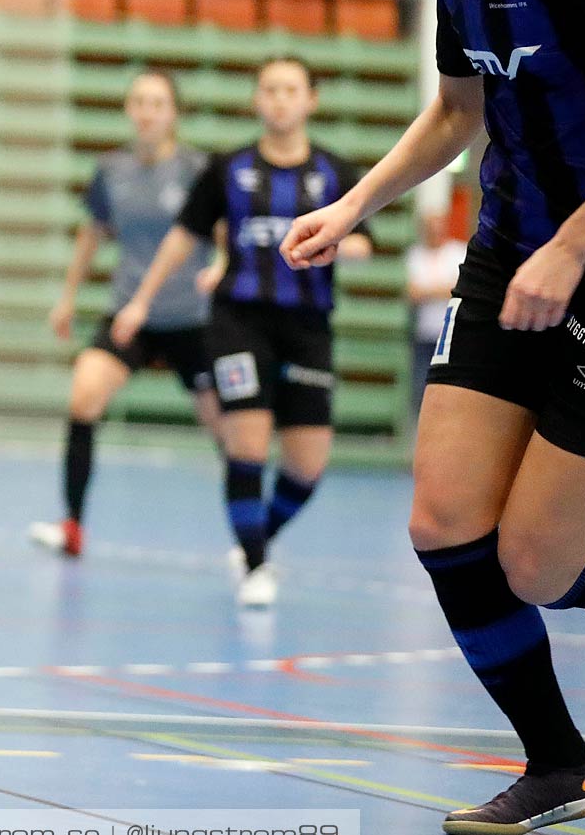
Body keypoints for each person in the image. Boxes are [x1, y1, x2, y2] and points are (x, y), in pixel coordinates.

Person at [281, 0, 585, 835]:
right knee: (445, 521)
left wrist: (578, 245)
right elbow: (457, 114)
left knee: (538, 564)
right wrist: (354, 201)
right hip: (508, 259)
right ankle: (559, 763)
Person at [114, 58, 371, 607]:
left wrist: (340, 245)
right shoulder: (227, 170)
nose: (279, 100)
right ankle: (256, 565)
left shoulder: (334, 173)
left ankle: (258, 534)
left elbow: (363, 241)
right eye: (269, 90)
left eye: (290, 90)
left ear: (311, 101)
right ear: (257, 100)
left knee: (307, 465)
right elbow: (183, 237)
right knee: (247, 444)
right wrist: (140, 301)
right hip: (239, 321)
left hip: (307, 327)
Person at [29, 71, 220, 558]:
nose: (147, 111)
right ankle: (72, 525)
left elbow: (221, 232)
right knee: (83, 397)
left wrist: (221, 266)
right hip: (128, 314)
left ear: (173, 112)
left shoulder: (198, 169)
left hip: (191, 318)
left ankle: (252, 541)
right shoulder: (111, 170)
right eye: (139, 102)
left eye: (157, 102)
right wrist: (68, 297)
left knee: (230, 429)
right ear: (129, 110)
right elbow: (92, 235)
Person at [404, 211, 464, 419]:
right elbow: (412, 293)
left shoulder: (458, 252)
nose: (435, 231)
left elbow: (459, 290)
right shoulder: (415, 255)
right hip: (424, 334)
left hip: (452, 336)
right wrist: (442, 289)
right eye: (430, 226)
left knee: (451, 390)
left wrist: (428, 290)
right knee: (420, 389)